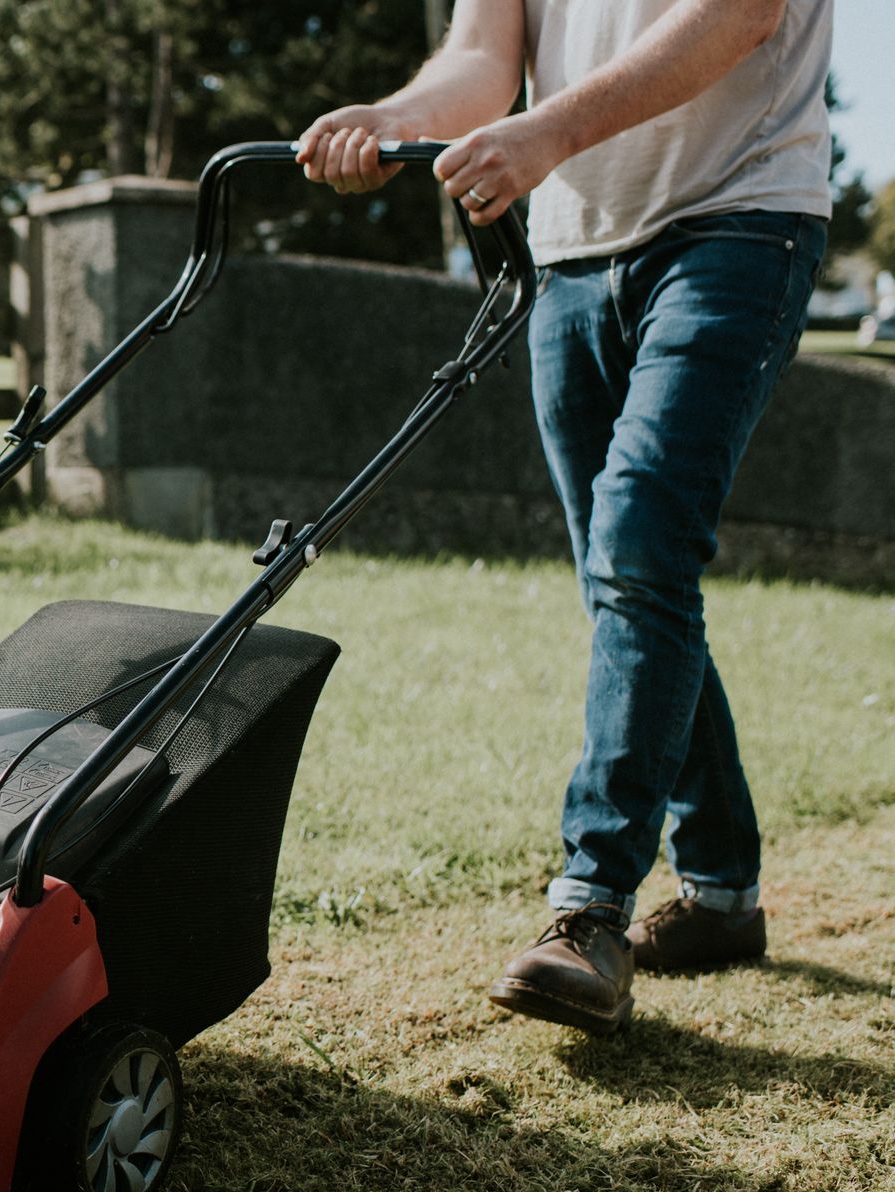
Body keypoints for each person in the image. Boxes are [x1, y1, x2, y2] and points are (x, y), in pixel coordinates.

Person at [296, 0, 832, 1034]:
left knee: (638, 547)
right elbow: (483, 55)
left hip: (740, 219)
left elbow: (744, 14)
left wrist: (550, 131)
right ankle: (722, 895)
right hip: (574, 247)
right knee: (629, 575)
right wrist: (393, 118)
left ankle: (590, 909)